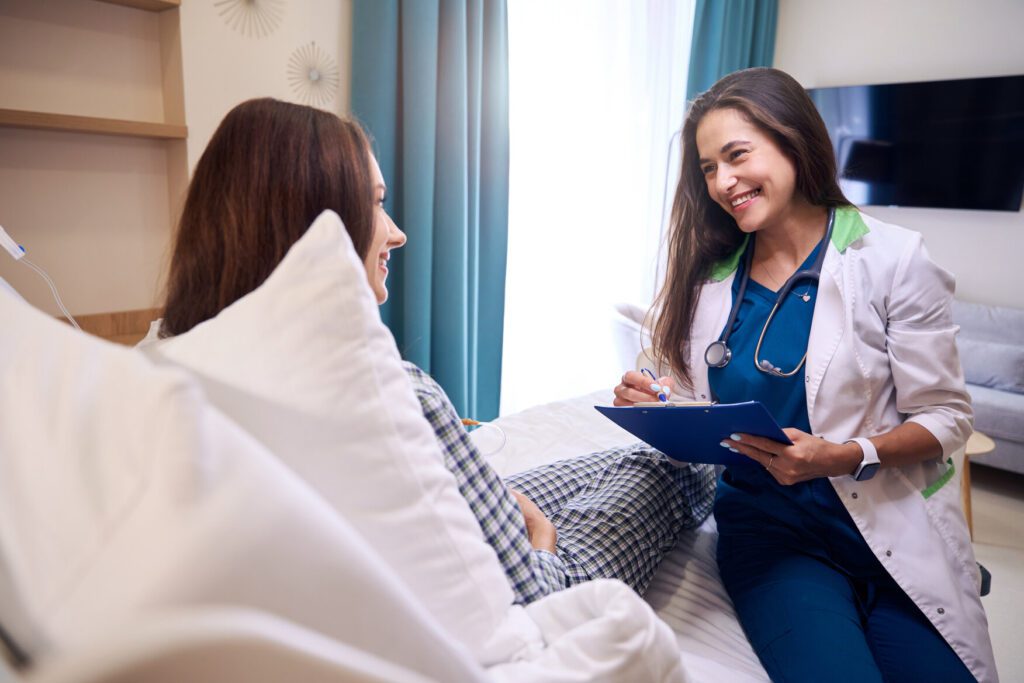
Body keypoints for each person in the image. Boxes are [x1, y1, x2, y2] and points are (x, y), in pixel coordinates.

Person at [158, 97, 716, 606]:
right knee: (671, 470)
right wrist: (543, 539)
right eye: (375, 206)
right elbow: (539, 599)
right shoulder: (388, 390)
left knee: (621, 459)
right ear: (309, 227)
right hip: (548, 581)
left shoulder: (173, 364)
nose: (396, 233)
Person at [613, 67, 996, 682]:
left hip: (890, 522)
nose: (723, 182)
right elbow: (688, 397)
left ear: (793, 141)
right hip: (773, 536)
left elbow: (948, 419)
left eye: (737, 155)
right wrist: (653, 402)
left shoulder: (893, 259)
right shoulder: (708, 280)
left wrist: (843, 456)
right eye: (709, 167)